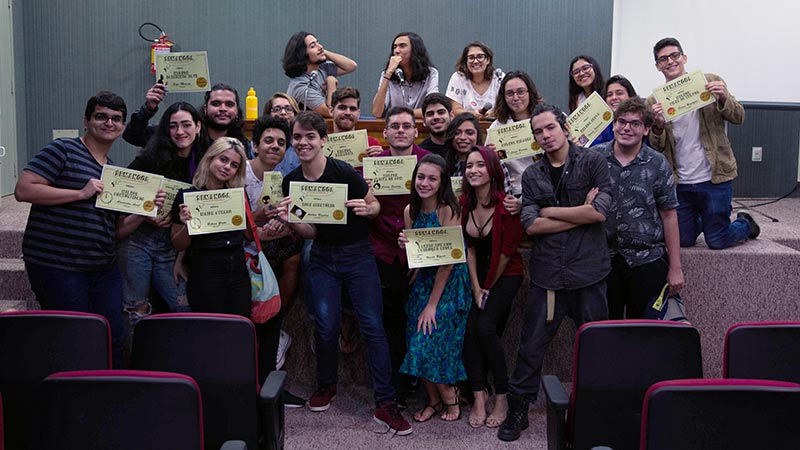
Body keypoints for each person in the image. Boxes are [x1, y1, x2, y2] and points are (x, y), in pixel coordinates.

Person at [277, 111, 411, 435]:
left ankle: (385, 402)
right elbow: (309, 232)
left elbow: (373, 204)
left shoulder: (343, 171)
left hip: (358, 255)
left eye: (310, 136)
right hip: (322, 256)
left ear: (324, 140)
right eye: (298, 137)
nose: (303, 142)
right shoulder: (290, 180)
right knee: (325, 325)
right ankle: (326, 384)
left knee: (372, 325)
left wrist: (369, 209)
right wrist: (290, 221)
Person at [15, 91, 165, 368]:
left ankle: (112, 394)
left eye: (116, 119)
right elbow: (23, 190)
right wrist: (79, 193)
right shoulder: (63, 149)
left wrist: (145, 212)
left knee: (114, 336)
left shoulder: (115, 172)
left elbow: (117, 231)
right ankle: (72, 399)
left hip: (101, 267)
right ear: (87, 121)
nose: (109, 123)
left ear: (122, 127)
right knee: (73, 338)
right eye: (101, 116)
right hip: (57, 265)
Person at [498, 104, 611, 442]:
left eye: (550, 128)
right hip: (549, 277)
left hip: (589, 274)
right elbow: (531, 224)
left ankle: (597, 408)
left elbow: (600, 214)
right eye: (538, 132)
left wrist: (553, 212)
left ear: (564, 128)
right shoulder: (533, 175)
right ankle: (519, 410)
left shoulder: (592, 162)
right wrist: (579, 212)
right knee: (530, 346)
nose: (545, 136)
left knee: (597, 347)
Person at [646, 37, 757, 249]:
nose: (670, 61)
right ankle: (706, 219)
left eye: (674, 55)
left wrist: (724, 97)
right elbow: (657, 146)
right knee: (684, 241)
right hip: (681, 182)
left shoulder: (709, 81)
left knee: (717, 240)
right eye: (663, 59)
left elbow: (739, 117)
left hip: (714, 177)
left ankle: (745, 223)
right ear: (658, 66)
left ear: (684, 57)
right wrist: (658, 126)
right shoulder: (654, 101)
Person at [119, 101, 208, 336]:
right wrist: (146, 212)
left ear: (198, 126)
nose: (180, 132)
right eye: (173, 126)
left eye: (186, 125)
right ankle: (136, 367)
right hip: (139, 242)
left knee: (185, 307)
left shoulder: (205, 163)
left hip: (173, 247)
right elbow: (120, 190)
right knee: (135, 309)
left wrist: (181, 257)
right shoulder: (150, 157)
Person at [594, 98, 684, 319]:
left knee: (643, 332)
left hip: (647, 260)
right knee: (606, 329)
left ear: (646, 130)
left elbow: (669, 214)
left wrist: (675, 267)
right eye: (621, 122)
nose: (626, 128)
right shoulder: (594, 158)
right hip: (603, 259)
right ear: (613, 125)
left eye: (635, 124)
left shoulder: (657, 163)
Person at [397, 154, 470, 423]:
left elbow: (448, 263)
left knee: (431, 339)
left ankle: (452, 399)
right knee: (414, 340)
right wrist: (404, 247)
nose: (424, 183)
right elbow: (417, 258)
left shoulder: (449, 210)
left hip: (449, 284)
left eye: (431, 178)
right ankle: (434, 401)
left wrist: (432, 305)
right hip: (424, 281)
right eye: (420, 177)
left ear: (442, 183)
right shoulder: (410, 211)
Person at [243, 115, 306, 406]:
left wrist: (286, 224)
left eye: (282, 143)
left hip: (266, 245)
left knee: (294, 250)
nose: (275, 146)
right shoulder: (237, 172)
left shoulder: (282, 180)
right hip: (238, 249)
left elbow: (289, 219)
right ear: (254, 145)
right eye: (268, 141)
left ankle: (270, 384)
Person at [370, 106, 430, 407]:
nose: (401, 130)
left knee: (420, 320)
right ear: (386, 132)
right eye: (395, 126)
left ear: (416, 131)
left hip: (422, 254)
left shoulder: (429, 164)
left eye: (407, 125)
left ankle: (420, 380)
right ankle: (396, 384)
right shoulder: (373, 166)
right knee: (390, 321)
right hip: (384, 252)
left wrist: (419, 251)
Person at [460, 146, 524, 428]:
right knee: (470, 330)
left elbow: (507, 253)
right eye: (468, 166)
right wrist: (476, 287)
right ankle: (478, 396)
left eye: (479, 165)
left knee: (485, 327)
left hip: (506, 273)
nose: (473, 170)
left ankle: (502, 394)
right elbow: (469, 248)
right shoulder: (464, 204)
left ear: (492, 170)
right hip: (479, 275)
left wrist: (487, 287)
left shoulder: (506, 204)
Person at [171, 138, 262, 316]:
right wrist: (186, 224)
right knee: (209, 329)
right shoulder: (186, 196)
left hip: (237, 268)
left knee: (239, 326)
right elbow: (179, 244)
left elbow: (249, 235)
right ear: (210, 158)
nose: (227, 167)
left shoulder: (238, 195)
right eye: (223, 159)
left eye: (234, 165)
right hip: (205, 269)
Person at [123, 83, 250, 156]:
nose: (223, 109)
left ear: (237, 111)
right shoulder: (184, 132)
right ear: (205, 108)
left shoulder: (241, 144)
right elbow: (132, 136)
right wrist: (148, 109)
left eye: (229, 104)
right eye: (216, 104)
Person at [486, 70, 544, 198]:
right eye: (510, 93)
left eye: (521, 92)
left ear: (530, 93)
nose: (516, 97)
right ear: (503, 97)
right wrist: (491, 156)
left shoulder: (546, 117)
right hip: (516, 190)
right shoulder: (497, 127)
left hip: (549, 184)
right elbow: (489, 167)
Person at [283, 31, 357, 117]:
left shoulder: (322, 68)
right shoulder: (301, 86)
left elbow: (351, 66)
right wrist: (331, 82)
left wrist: (322, 51)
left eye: (318, 43)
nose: (320, 46)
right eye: (313, 46)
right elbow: (331, 112)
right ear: (302, 54)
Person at [372, 32, 438, 119]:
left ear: (415, 50)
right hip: (395, 126)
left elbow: (433, 110)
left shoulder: (431, 73)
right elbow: (377, 112)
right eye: (394, 47)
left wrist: (402, 113)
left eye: (402, 46)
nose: (396, 51)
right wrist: (388, 74)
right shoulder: (387, 74)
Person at [446, 41, 504, 119]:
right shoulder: (458, 78)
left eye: (480, 57)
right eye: (471, 58)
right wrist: (472, 114)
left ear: (488, 60)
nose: (475, 61)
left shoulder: (499, 77)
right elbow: (455, 110)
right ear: (466, 61)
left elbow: (506, 108)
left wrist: (493, 113)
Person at [593, 75, 639, 146]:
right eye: (609, 95)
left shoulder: (640, 119)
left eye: (619, 93)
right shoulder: (600, 124)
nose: (614, 97)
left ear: (630, 95)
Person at [262, 92, 301, 176]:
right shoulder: (258, 145)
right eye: (277, 109)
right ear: (268, 114)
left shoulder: (302, 145)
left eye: (288, 109)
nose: (283, 112)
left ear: (295, 114)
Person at [417, 93, 454, 157]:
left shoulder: (462, 146)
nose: (436, 117)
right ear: (424, 121)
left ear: (451, 116)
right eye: (430, 114)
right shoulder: (419, 154)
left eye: (441, 112)